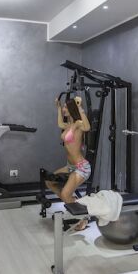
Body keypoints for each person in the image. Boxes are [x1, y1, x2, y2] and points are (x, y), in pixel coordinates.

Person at [45, 96, 92, 227]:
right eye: (64, 107)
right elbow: (60, 124)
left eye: (66, 107)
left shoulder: (78, 124)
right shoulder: (68, 125)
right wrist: (58, 108)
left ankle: (83, 217)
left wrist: (80, 107)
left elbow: (87, 127)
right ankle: (74, 202)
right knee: (49, 181)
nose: (64, 109)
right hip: (70, 166)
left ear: (72, 108)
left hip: (81, 167)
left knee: (65, 193)